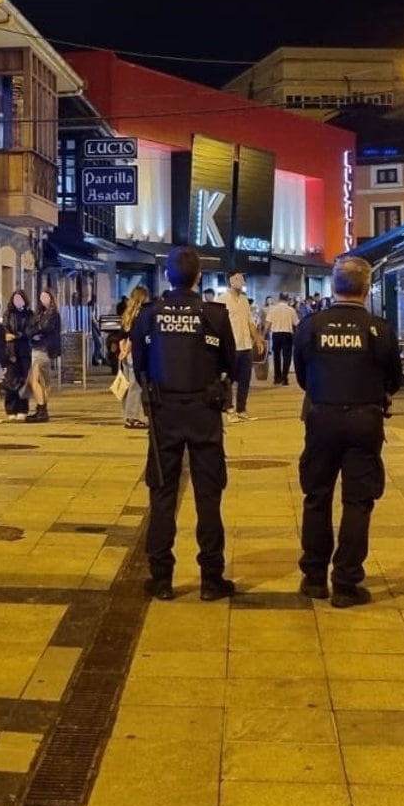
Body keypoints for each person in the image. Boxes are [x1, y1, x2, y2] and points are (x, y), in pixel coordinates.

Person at [131, 246, 238, 602]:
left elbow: (139, 362)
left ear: (166, 277)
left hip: (164, 411)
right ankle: (211, 578)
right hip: (204, 411)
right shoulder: (214, 315)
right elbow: (231, 363)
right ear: (198, 278)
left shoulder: (149, 315)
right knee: (209, 496)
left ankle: (161, 578)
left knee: (162, 494)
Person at [293, 256, 402, 607]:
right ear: (367, 288)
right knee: (358, 501)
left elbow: (302, 375)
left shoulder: (311, 325)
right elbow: (394, 378)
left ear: (333, 285)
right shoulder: (379, 329)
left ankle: (313, 578)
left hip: (322, 416)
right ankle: (346, 581)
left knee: (316, 496)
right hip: (363, 419)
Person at [223, 273, 259, 421]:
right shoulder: (222, 300)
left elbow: (250, 322)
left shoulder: (244, 300)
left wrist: (258, 338)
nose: (242, 282)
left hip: (245, 346)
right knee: (228, 380)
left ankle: (241, 409)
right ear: (231, 281)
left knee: (245, 379)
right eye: (238, 279)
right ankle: (229, 409)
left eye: (243, 279)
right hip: (232, 346)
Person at [116, 285, 152, 429]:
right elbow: (133, 337)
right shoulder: (140, 314)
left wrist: (122, 351)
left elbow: (122, 335)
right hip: (135, 352)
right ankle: (132, 417)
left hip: (125, 353)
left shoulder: (127, 314)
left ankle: (128, 414)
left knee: (127, 386)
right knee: (135, 386)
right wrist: (127, 350)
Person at [25, 286, 62, 424]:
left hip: (43, 350)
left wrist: (36, 332)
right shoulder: (40, 313)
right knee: (40, 381)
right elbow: (30, 329)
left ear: (51, 298)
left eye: (46, 297)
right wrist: (34, 332)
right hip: (37, 348)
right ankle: (41, 409)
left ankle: (41, 410)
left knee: (35, 380)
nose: (43, 299)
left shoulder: (53, 314)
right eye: (41, 297)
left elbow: (45, 328)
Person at [265, 293, 299, 385]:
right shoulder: (291, 310)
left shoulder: (273, 309)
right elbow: (297, 323)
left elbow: (267, 324)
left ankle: (277, 377)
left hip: (276, 334)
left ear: (279, 298)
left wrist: (264, 335)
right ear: (287, 299)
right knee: (287, 356)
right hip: (287, 334)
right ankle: (285, 378)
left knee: (276, 356)